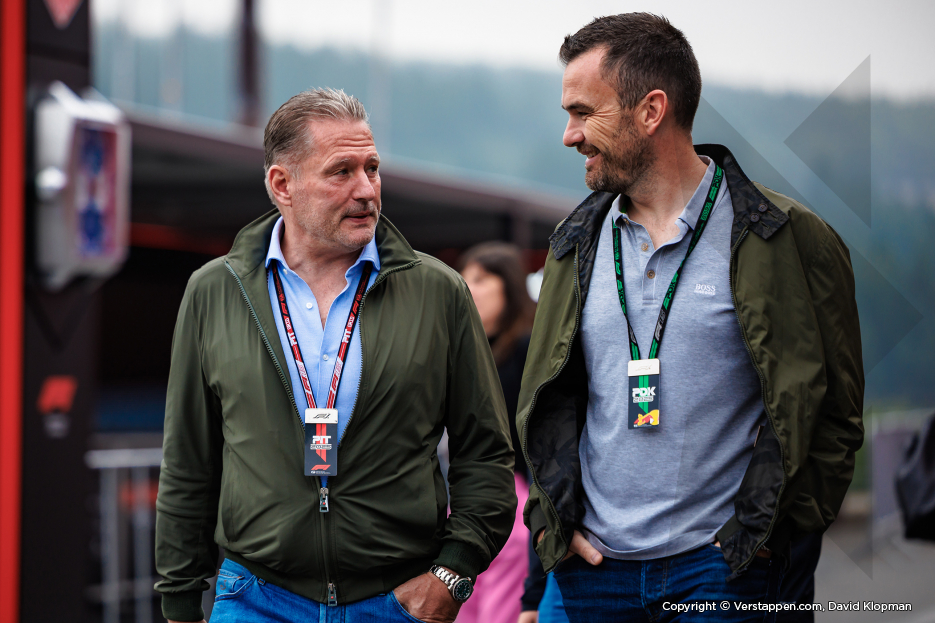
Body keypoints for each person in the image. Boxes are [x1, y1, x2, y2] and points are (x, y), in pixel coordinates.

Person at [517, 13, 864, 622]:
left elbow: (834, 415)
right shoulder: (573, 245)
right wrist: (553, 527)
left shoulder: (786, 238)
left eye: (583, 112)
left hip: (726, 573)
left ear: (651, 111)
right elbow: (551, 401)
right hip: (594, 574)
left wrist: (771, 540)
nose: (570, 135)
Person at [154, 88, 516, 623]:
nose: (366, 189)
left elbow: (485, 452)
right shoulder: (215, 290)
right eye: (341, 172)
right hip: (256, 598)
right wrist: (181, 601)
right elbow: (188, 460)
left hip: (398, 601)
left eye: (372, 168)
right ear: (283, 184)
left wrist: (452, 574)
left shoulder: (438, 291)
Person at [454, 242, 536, 623]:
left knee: (499, 608)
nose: (467, 287)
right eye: (464, 278)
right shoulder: (465, 347)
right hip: (463, 492)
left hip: (515, 491)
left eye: (480, 278)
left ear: (509, 287)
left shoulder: (526, 346)